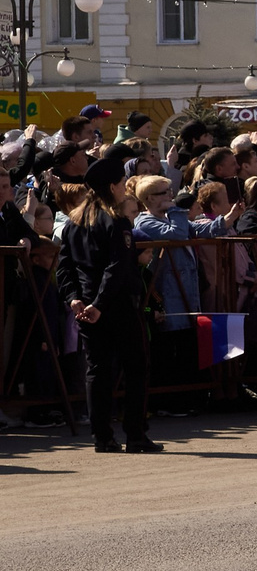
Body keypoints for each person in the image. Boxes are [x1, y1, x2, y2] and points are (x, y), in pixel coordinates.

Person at [60, 155, 160, 454]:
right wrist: (100, 302)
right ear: (115, 186)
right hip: (116, 304)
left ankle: (102, 435)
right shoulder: (116, 221)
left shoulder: (74, 222)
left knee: (98, 370)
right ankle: (135, 433)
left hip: (87, 306)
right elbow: (117, 267)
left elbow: (65, 267)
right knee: (135, 367)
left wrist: (74, 298)